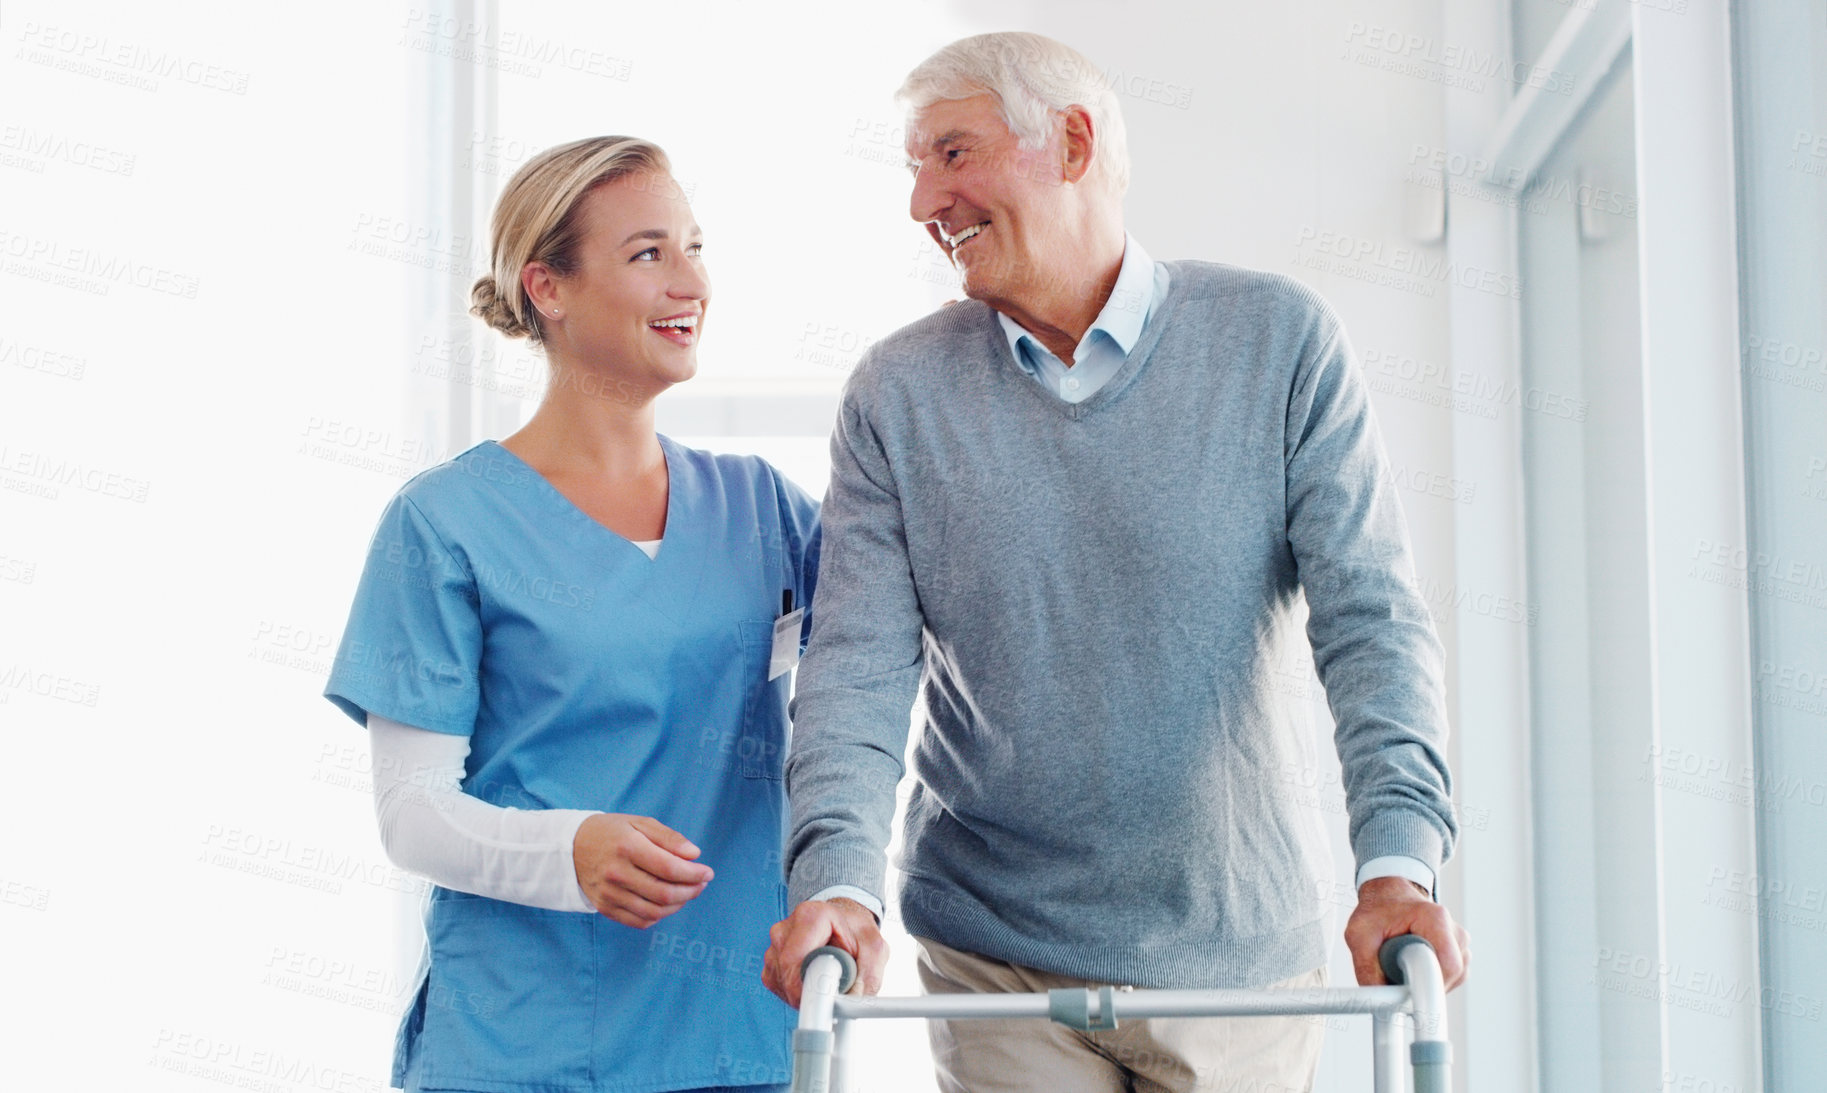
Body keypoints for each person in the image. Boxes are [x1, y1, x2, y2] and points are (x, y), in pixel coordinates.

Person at [761, 32, 1470, 1093]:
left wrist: (1398, 862)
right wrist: (838, 883)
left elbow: (1373, 622)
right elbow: (856, 672)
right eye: (915, 169)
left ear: (1074, 141)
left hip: (1234, 954)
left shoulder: (1278, 343)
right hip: (995, 955)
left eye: (951, 155)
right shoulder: (896, 395)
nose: (923, 202)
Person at [323, 136, 819, 1093]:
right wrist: (571, 849)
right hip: (523, 1043)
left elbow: (887, 674)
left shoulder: (766, 511)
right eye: (648, 254)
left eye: (695, 246)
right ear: (546, 287)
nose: (691, 281)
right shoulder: (443, 523)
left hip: (732, 1035)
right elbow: (411, 813)